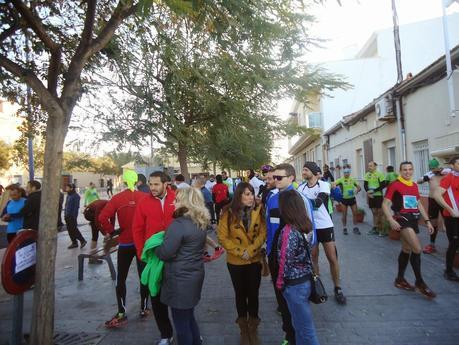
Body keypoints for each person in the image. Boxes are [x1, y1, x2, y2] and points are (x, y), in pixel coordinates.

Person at [266, 163, 315, 345]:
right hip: (274, 258)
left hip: (294, 264)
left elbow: (311, 233)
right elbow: (268, 228)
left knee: (296, 304)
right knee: (282, 301)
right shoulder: (271, 198)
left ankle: (298, 336)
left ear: (291, 178)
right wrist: (269, 253)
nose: (274, 180)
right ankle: (289, 335)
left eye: (279, 177)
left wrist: (302, 260)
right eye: (273, 177)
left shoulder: (300, 199)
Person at [155, 187, 209, 345]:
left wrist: (155, 248)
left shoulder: (178, 224)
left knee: (181, 324)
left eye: (177, 200)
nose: (173, 202)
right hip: (194, 274)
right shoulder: (199, 221)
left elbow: (166, 252)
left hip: (179, 279)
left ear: (186, 202)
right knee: (189, 316)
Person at [99, 170, 151, 327]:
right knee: (144, 277)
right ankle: (143, 308)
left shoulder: (117, 198)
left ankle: (121, 312)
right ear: (136, 181)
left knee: (120, 278)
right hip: (141, 243)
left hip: (125, 243)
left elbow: (102, 217)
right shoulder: (145, 198)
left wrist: (111, 231)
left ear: (124, 181)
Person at [217, 182, 267, 345]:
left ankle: (253, 329)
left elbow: (263, 233)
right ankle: (243, 330)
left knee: (253, 294)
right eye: (246, 194)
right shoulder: (228, 213)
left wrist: (250, 250)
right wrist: (240, 252)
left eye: (252, 193)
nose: (250, 197)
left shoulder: (259, 211)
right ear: (239, 196)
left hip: (254, 259)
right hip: (236, 262)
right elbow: (222, 237)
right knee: (240, 294)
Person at [132, 171, 175, 345]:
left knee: (180, 296)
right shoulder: (144, 202)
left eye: (156, 184)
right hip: (153, 258)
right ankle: (166, 334)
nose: (152, 188)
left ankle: (187, 331)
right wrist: (142, 253)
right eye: (150, 184)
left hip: (175, 257)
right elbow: (137, 229)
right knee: (156, 297)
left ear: (166, 184)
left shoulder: (178, 198)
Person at [382, 161, 436, 298]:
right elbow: (385, 204)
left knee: (406, 249)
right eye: (405, 169)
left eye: (410, 169)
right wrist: (391, 220)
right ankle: (420, 282)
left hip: (413, 220)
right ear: (400, 171)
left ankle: (399, 279)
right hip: (402, 219)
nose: (407, 172)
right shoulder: (395, 184)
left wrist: (428, 221)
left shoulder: (414, 185)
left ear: (413, 170)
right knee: (417, 249)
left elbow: (418, 204)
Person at [299, 162, 347, 304]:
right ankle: (316, 286)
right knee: (313, 258)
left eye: (306, 169)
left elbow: (318, 202)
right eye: (303, 169)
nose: (303, 172)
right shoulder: (301, 187)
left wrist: (303, 202)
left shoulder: (323, 185)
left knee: (332, 258)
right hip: (310, 228)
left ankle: (337, 288)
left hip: (325, 226)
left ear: (314, 172)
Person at [276, 190, 319, 345]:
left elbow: (284, 261)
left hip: (294, 285)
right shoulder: (304, 226)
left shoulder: (289, 231)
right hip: (305, 280)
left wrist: (280, 283)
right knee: (300, 326)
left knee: (305, 330)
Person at [433, 156, 459, 281]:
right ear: (452, 165)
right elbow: (437, 195)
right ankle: (448, 271)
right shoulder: (449, 178)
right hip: (452, 217)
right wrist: (450, 210)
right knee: (454, 243)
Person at [417, 158, 448, 254]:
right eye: (431, 168)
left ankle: (453, 245)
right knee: (433, 223)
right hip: (432, 201)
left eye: (434, 168)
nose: (433, 170)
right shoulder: (429, 174)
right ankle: (432, 245)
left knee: (447, 223)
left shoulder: (445, 173)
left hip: (444, 200)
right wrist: (425, 178)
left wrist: (443, 171)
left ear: (438, 167)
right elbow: (418, 181)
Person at [335, 167, 362, 235]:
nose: (346, 174)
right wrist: (335, 189)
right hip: (344, 199)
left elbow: (359, 187)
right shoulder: (341, 180)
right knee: (344, 214)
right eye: (345, 173)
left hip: (352, 199)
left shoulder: (352, 179)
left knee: (355, 213)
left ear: (349, 173)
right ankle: (344, 228)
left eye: (347, 173)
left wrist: (357, 190)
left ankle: (355, 227)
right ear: (343, 173)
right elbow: (334, 184)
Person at [83, 198, 111, 264]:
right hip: (88, 214)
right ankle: (92, 257)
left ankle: (92, 256)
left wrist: (110, 231)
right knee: (95, 233)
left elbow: (112, 219)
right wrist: (105, 233)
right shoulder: (101, 205)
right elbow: (96, 221)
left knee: (96, 234)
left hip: (95, 213)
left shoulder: (111, 207)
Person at [364, 161, 386, 235]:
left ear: (375, 166)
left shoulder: (379, 174)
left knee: (380, 213)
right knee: (374, 213)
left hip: (378, 195)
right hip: (371, 196)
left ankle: (382, 230)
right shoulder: (367, 174)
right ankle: (375, 228)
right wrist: (368, 192)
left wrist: (373, 191)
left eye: (371, 166)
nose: (369, 167)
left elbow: (383, 185)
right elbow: (365, 185)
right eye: (368, 166)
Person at [65, 183, 87, 249]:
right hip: (67, 215)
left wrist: (74, 216)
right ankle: (74, 242)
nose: (66, 189)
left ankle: (82, 240)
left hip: (72, 216)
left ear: (71, 188)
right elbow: (66, 205)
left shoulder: (76, 196)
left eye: (67, 188)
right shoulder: (68, 195)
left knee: (74, 229)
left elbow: (76, 207)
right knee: (69, 230)